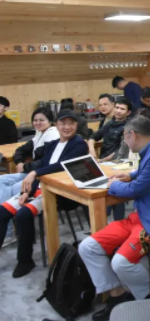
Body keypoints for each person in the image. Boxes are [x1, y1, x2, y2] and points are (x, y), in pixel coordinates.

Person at [79, 116, 150, 321]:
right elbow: (144, 175)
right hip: (140, 217)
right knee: (88, 247)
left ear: (132, 134)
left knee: (121, 262)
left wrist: (114, 184)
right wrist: (130, 175)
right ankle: (117, 295)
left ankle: (148, 301)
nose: (125, 142)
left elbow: (135, 190)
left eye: (125, 137)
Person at [0, 109, 88, 277]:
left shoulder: (79, 144)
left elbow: (62, 165)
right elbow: (42, 169)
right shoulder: (53, 145)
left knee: (23, 214)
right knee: (2, 212)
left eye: (71, 123)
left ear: (76, 125)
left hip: (59, 193)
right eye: (63, 123)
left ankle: (25, 260)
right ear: (57, 125)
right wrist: (27, 192)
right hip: (39, 188)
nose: (67, 127)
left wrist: (34, 173)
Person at [0, 107, 59, 246]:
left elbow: (45, 162)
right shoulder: (39, 134)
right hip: (30, 173)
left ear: (50, 121)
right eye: (35, 120)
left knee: (7, 189)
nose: (38, 123)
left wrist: (26, 167)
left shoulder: (53, 135)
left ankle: (8, 232)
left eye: (41, 120)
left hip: (42, 176)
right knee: (1, 181)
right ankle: (7, 228)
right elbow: (20, 150)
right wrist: (20, 162)